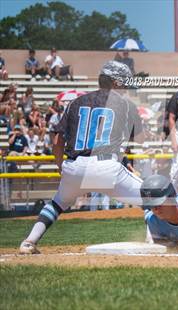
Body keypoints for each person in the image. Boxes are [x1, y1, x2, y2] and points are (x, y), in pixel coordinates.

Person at [19, 61, 145, 254]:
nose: (126, 87)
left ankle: (29, 242)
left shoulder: (75, 102)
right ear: (115, 82)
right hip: (106, 167)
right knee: (152, 198)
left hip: (74, 166)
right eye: (124, 83)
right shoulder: (125, 105)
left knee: (57, 204)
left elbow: (57, 140)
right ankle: (157, 238)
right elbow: (140, 138)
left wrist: (61, 166)